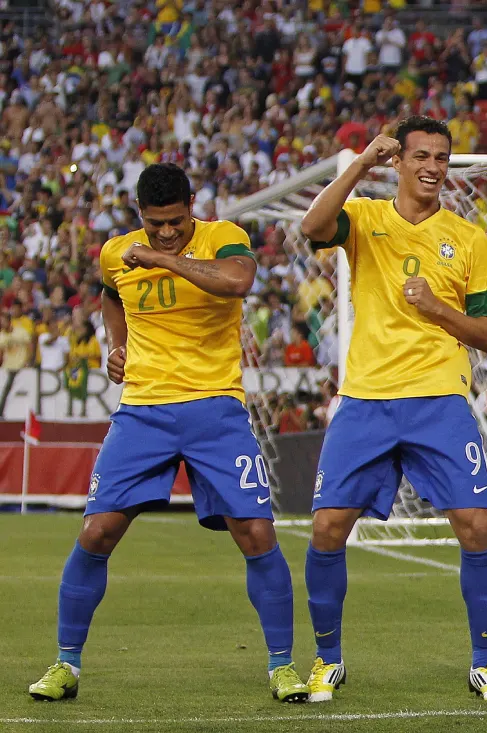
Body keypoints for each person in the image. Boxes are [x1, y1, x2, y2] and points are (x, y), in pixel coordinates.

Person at [27, 163, 310, 703]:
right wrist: (117, 346)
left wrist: (162, 260)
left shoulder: (222, 237)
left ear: (191, 206)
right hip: (143, 411)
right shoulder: (116, 252)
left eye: (175, 222)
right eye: (155, 224)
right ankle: (66, 664)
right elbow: (111, 295)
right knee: (97, 533)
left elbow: (238, 281)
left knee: (256, 534)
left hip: (216, 409)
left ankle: (281, 665)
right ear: (140, 214)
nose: (166, 232)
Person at [298, 116, 487, 703]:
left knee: (476, 526)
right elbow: (312, 227)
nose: (432, 167)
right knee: (327, 527)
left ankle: (485, 662)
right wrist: (358, 164)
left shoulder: (468, 239)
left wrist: (438, 309)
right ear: (398, 162)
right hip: (366, 397)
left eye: (441, 158)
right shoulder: (365, 219)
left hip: (439, 397)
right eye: (421, 156)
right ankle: (328, 659)